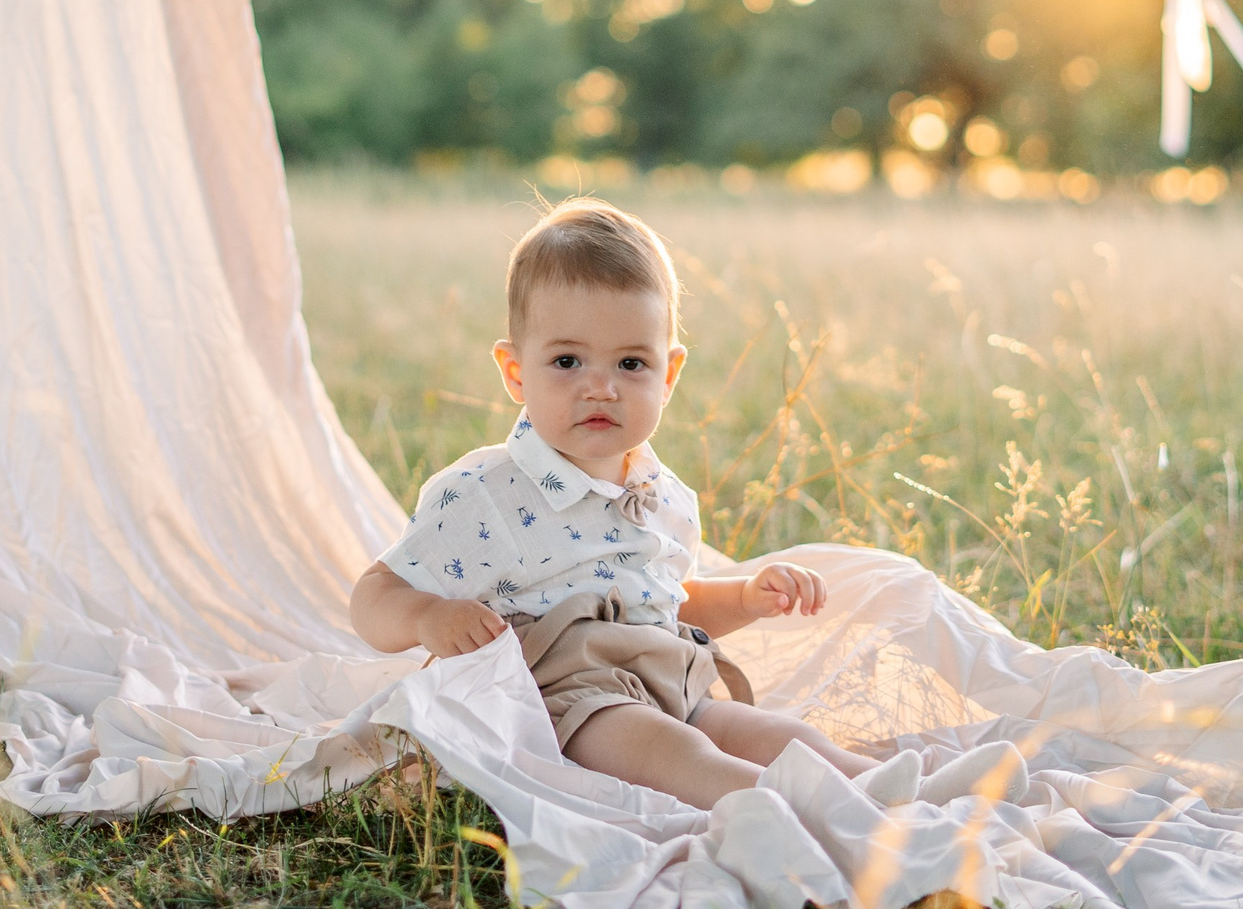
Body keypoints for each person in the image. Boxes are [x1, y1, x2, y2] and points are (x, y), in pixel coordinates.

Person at [350, 198, 1019, 810]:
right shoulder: (485, 493)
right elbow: (374, 594)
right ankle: (802, 808)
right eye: (567, 362)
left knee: (769, 731)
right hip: (561, 705)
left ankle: (889, 787)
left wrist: (746, 597)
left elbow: (667, 604)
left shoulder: (660, 495)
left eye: (630, 364)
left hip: (669, 680)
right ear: (515, 371)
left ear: (668, 374)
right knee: (676, 752)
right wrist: (429, 616)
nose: (602, 387)